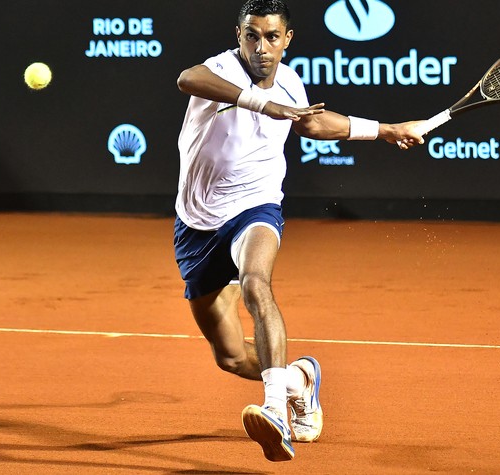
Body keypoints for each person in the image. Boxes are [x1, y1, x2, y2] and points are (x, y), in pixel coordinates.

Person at [173, 0, 424, 463]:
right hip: (197, 223)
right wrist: (261, 103)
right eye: (252, 35)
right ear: (239, 35)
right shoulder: (220, 69)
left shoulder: (289, 80)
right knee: (229, 357)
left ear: (287, 39)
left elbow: (311, 122)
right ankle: (300, 380)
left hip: (256, 206)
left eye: (272, 36)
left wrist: (385, 129)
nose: (262, 46)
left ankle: (276, 413)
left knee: (255, 282)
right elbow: (187, 79)